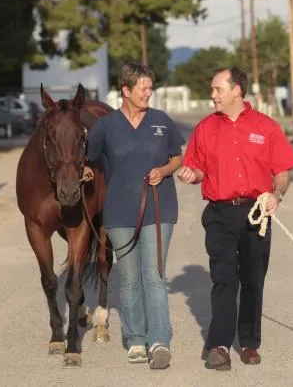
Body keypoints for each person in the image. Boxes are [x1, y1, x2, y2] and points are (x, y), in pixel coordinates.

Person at [177, 66, 293, 371]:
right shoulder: (205, 129)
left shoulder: (267, 127)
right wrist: (191, 174)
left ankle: (248, 342)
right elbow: (198, 169)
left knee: (253, 280)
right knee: (223, 278)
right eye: (213, 89)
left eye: (218, 89)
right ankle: (219, 345)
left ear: (236, 90)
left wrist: (276, 194)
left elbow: (283, 172)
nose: (212, 95)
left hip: (255, 214)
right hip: (219, 213)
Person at [86, 62, 185, 370]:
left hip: (159, 208)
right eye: (143, 87)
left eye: (150, 87)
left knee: (153, 276)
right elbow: (88, 160)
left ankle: (159, 341)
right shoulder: (105, 126)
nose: (148, 92)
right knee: (129, 279)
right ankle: (136, 339)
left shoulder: (161, 121)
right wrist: (85, 172)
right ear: (126, 91)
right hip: (119, 212)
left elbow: (178, 157)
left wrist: (165, 170)